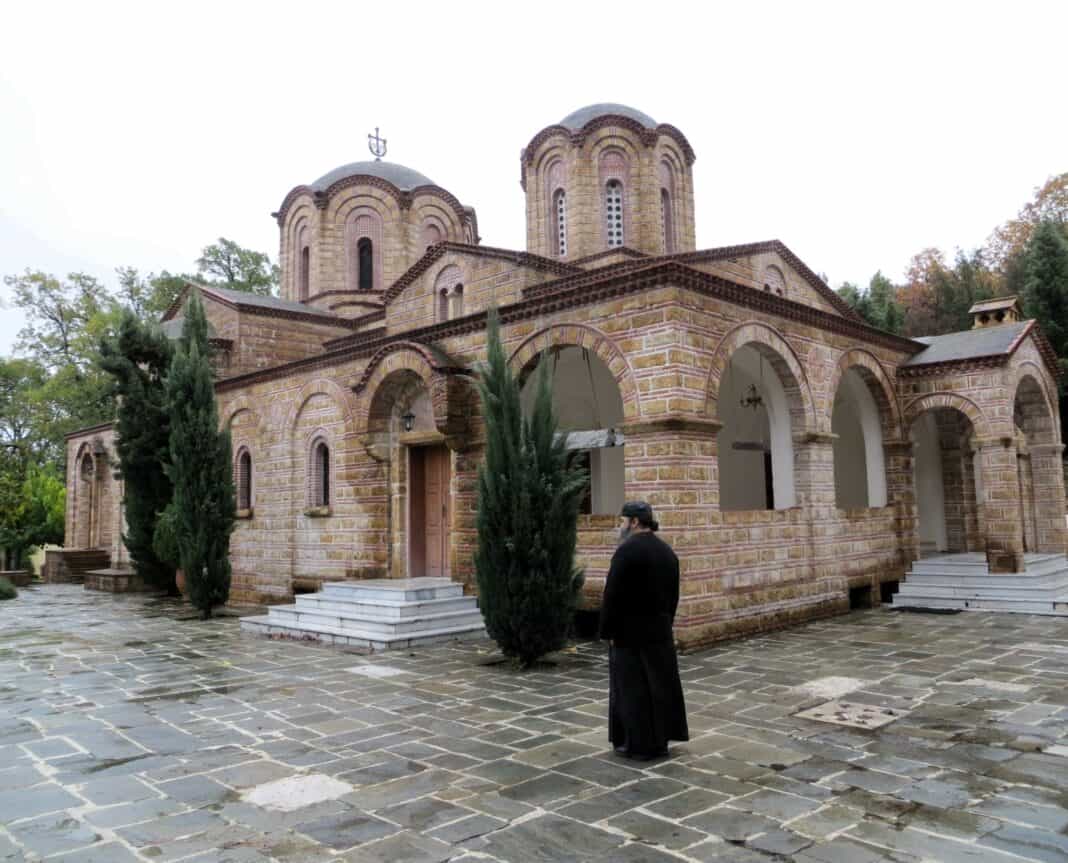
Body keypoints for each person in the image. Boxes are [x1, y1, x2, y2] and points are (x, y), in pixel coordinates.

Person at [599, 501, 689, 760]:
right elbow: (673, 595)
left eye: (622, 521)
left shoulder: (626, 552)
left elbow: (612, 595)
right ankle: (659, 742)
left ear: (634, 522)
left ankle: (636, 745)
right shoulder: (667, 552)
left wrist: (607, 631)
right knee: (659, 690)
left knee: (632, 692)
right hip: (659, 632)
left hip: (629, 635)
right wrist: (665, 623)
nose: (620, 526)